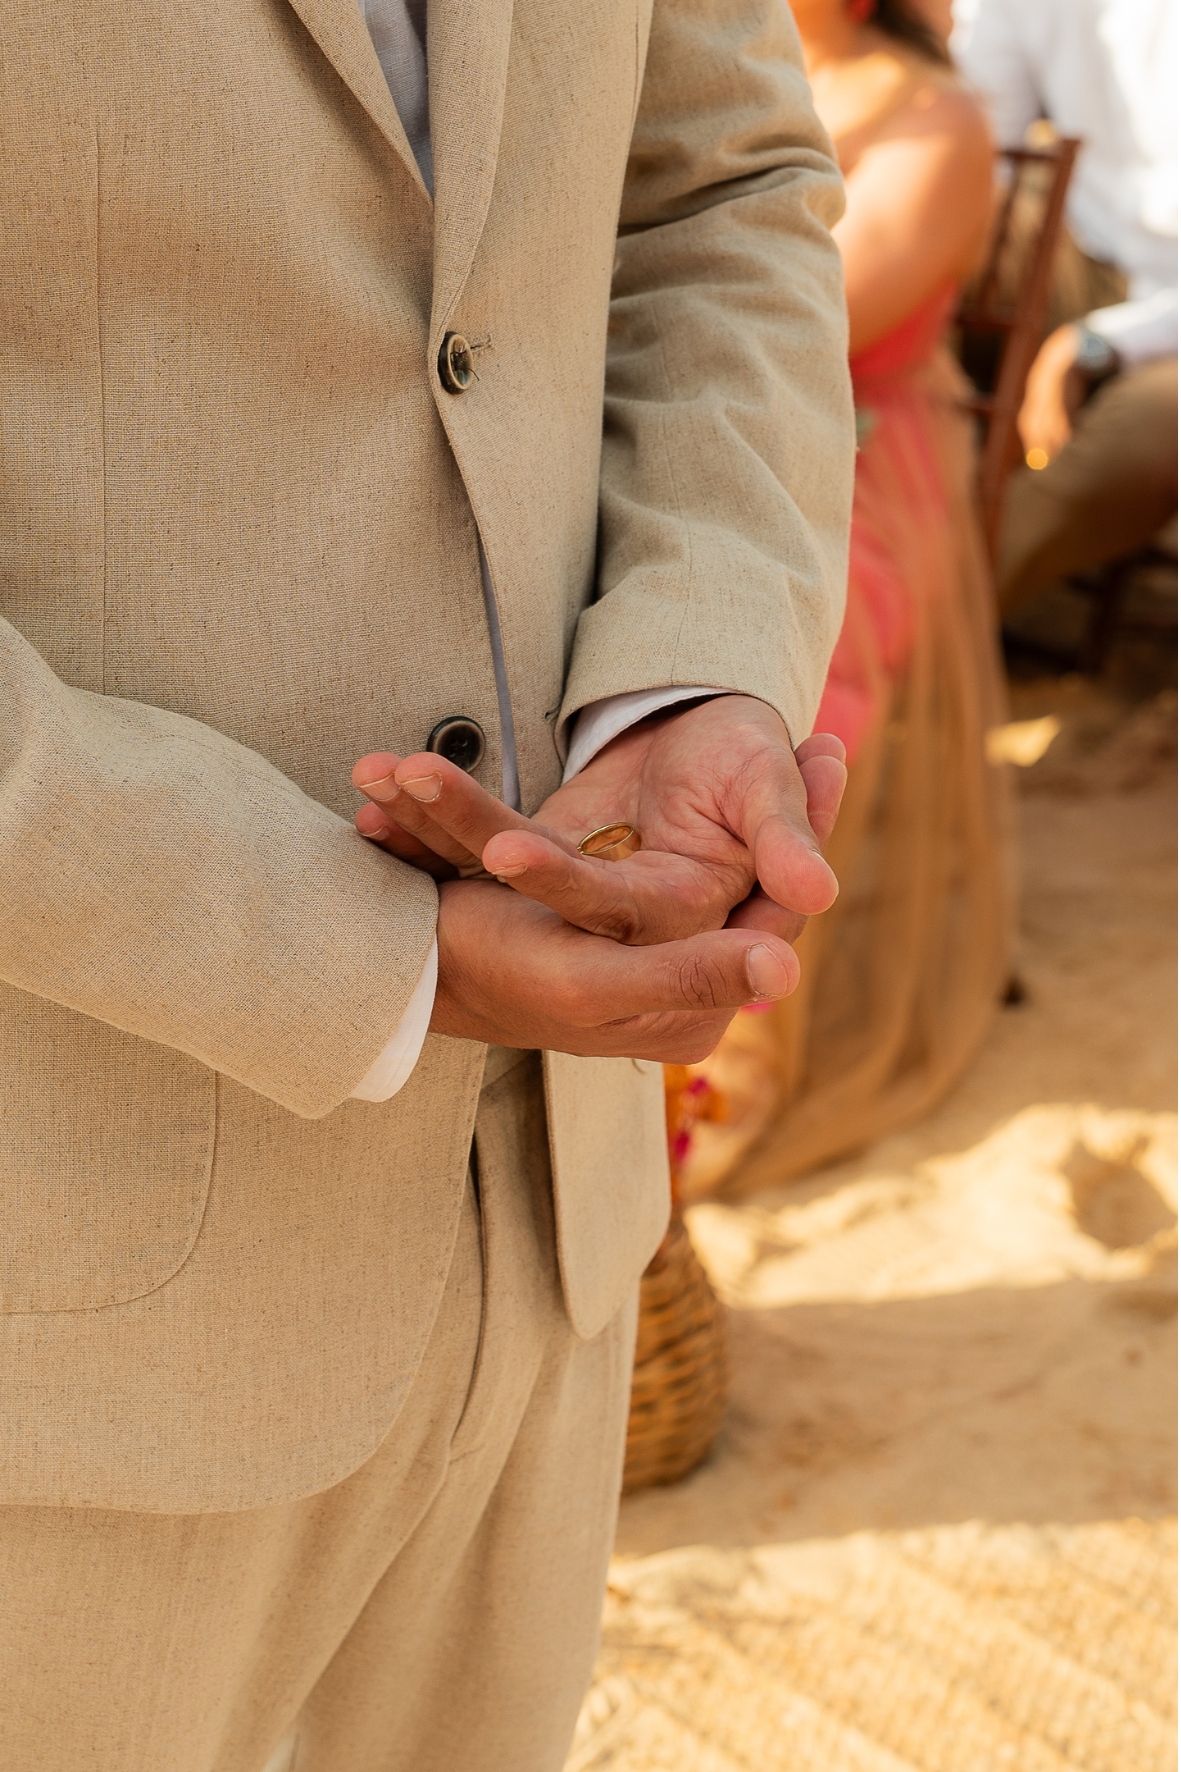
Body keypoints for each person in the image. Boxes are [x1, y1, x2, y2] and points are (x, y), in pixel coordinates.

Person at [0, 1, 855, 1768]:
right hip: (56, 1297)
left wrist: (691, 668)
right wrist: (346, 953)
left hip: (542, 1235)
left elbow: (721, 187)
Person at [669, 0, 1014, 1196]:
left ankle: (715, 1064)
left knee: (767, 688)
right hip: (699, 445)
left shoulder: (936, 119)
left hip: (861, 464)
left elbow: (812, 333)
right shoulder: (692, 69)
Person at [960, 0, 1178, 611]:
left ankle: (914, 635)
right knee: (924, 234)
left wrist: (1102, 344)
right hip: (1087, 257)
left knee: (1143, 440)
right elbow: (977, 140)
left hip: (1165, 325)